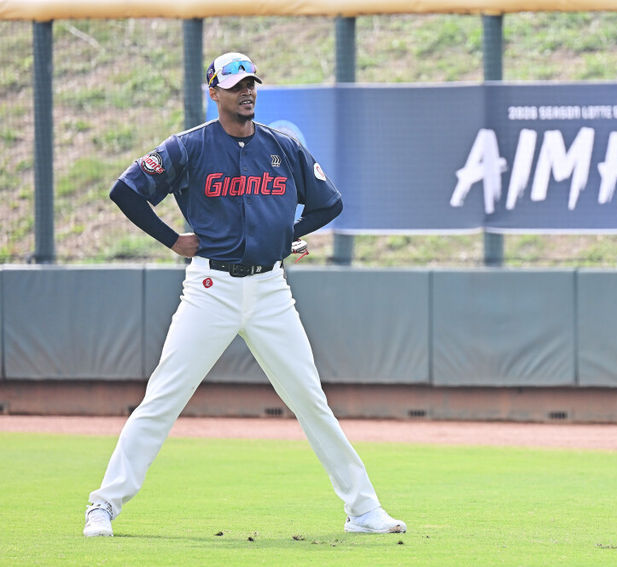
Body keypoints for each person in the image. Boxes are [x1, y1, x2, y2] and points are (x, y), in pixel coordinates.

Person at [83, 52, 405, 537]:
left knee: (310, 399)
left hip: (271, 289)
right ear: (214, 93)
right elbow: (126, 190)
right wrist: (172, 239)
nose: (246, 91)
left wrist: (286, 233)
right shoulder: (188, 147)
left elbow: (329, 202)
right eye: (235, 85)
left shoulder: (282, 146)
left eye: (251, 83)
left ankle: (362, 510)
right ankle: (103, 505)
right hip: (210, 289)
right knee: (164, 396)